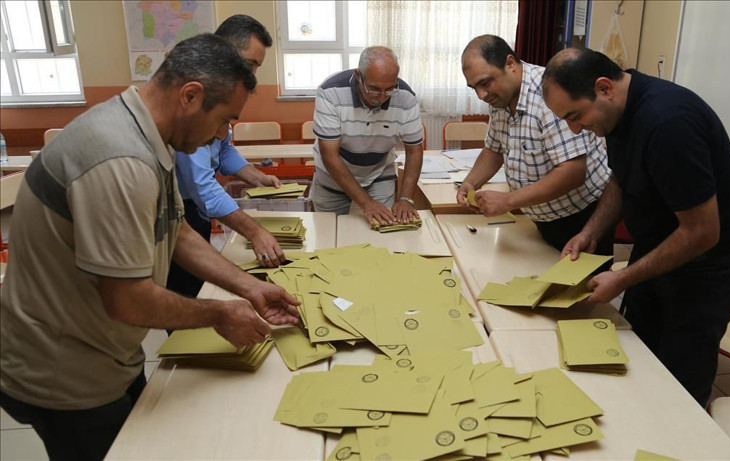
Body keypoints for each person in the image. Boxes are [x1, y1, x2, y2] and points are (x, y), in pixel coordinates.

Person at [0, 34, 301, 460]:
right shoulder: (119, 158)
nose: (222, 135)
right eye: (224, 121)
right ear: (190, 96)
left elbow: (175, 231)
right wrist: (218, 313)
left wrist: (248, 288)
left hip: (104, 356)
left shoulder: (146, 132)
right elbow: (128, 299)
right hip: (63, 376)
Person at [542, 47, 730, 407]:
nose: (574, 128)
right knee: (638, 359)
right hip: (661, 248)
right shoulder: (617, 113)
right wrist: (590, 231)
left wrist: (622, 278)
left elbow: (702, 232)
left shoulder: (668, 123)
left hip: (707, 268)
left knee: (679, 381)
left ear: (605, 87)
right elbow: (621, 180)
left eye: (575, 115)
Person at [457, 35, 613, 254]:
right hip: (544, 216)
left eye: (485, 83)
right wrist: (470, 183)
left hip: (582, 217)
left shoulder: (549, 93)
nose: (481, 95)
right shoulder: (500, 95)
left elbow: (572, 172)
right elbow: (494, 149)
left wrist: (508, 201)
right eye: (474, 87)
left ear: (510, 64)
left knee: (586, 285)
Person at [167, 15, 284, 300]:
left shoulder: (219, 92)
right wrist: (254, 232)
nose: (252, 76)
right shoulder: (196, 97)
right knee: (186, 292)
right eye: (249, 65)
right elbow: (203, 186)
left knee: (199, 283)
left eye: (256, 67)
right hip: (181, 207)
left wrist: (255, 176)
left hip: (191, 210)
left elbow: (224, 147)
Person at [311, 46, 424, 225]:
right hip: (333, 177)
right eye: (374, 89)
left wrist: (405, 199)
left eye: (389, 89)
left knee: (382, 232)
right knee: (329, 236)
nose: (381, 97)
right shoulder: (330, 92)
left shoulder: (405, 97)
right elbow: (329, 156)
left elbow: (415, 151)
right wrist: (366, 203)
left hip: (378, 174)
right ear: (358, 75)